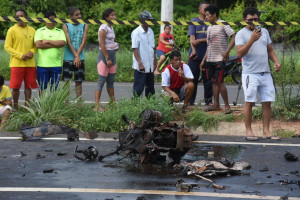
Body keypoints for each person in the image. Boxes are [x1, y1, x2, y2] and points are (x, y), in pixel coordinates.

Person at [235, 7, 281, 141]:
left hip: (265, 72)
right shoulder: (241, 34)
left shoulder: (264, 31)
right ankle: (249, 131)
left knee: (267, 102)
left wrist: (276, 61)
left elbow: (270, 50)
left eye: (256, 19)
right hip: (250, 73)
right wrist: (251, 40)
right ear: (244, 20)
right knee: (249, 102)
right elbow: (239, 53)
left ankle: (266, 131)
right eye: (250, 20)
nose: (254, 22)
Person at [200, 5, 235, 114]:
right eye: (205, 15)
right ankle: (216, 105)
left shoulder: (223, 24)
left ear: (214, 15)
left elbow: (234, 36)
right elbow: (209, 45)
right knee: (213, 81)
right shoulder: (209, 27)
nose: (206, 17)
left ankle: (227, 106)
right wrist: (203, 61)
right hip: (210, 59)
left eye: (207, 15)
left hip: (220, 59)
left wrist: (227, 52)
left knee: (219, 82)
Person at [4, 9, 38, 110]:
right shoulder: (11, 30)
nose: (19, 17)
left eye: (21, 15)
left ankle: (27, 107)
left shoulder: (32, 30)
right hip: (17, 63)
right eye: (17, 16)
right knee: (15, 87)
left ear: (26, 17)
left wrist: (32, 52)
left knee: (29, 87)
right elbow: (7, 47)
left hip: (30, 64)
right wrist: (20, 55)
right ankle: (15, 107)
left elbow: (36, 45)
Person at [188, 1, 213, 106]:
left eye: (208, 8)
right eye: (204, 8)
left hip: (208, 55)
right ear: (199, 10)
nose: (206, 10)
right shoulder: (194, 21)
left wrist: (199, 41)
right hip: (195, 55)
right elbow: (192, 39)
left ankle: (208, 101)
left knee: (208, 79)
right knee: (192, 79)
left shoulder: (211, 22)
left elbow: (212, 39)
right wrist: (193, 50)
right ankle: (190, 101)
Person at [34, 11, 66, 92]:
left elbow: (62, 43)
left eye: (54, 20)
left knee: (54, 89)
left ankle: (53, 105)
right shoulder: (39, 31)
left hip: (56, 65)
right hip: (42, 65)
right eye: (50, 20)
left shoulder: (60, 31)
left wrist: (47, 41)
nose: (52, 22)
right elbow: (38, 45)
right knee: (42, 88)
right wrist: (55, 44)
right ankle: (42, 105)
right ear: (45, 20)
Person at [94, 8, 119, 112]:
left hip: (113, 55)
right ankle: (96, 106)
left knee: (111, 81)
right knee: (101, 81)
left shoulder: (110, 27)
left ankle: (113, 103)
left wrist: (115, 46)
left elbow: (109, 42)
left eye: (114, 15)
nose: (114, 17)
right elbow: (102, 44)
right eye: (112, 15)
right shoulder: (103, 27)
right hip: (105, 57)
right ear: (106, 17)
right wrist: (107, 58)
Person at [62, 6, 89, 101]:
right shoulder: (66, 25)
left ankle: (79, 104)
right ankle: (66, 104)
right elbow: (68, 42)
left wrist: (77, 56)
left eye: (80, 14)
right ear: (71, 16)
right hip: (68, 57)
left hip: (80, 57)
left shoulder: (85, 25)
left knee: (79, 81)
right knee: (66, 82)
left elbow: (83, 41)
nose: (79, 16)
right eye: (76, 15)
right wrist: (75, 55)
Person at [131, 10, 156, 97]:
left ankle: (150, 107)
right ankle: (135, 106)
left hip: (150, 65)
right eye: (148, 20)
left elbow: (152, 48)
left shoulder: (151, 31)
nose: (150, 22)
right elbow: (135, 49)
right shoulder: (136, 32)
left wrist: (154, 61)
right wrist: (140, 63)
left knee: (150, 89)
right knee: (138, 88)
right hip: (141, 65)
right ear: (142, 20)